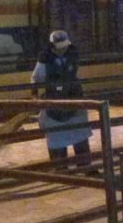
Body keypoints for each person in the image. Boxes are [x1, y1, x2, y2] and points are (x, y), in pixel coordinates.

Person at [30, 29, 94, 169]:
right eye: (59, 47)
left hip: (73, 101)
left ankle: (85, 166)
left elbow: (77, 76)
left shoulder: (72, 55)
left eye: (64, 46)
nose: (63, 50)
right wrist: (34, 96)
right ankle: (61, 168)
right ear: (52, 46)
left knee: (80, 135)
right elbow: (35, 78)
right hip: (55, 106)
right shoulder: (45, 60)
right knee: (57, 138)